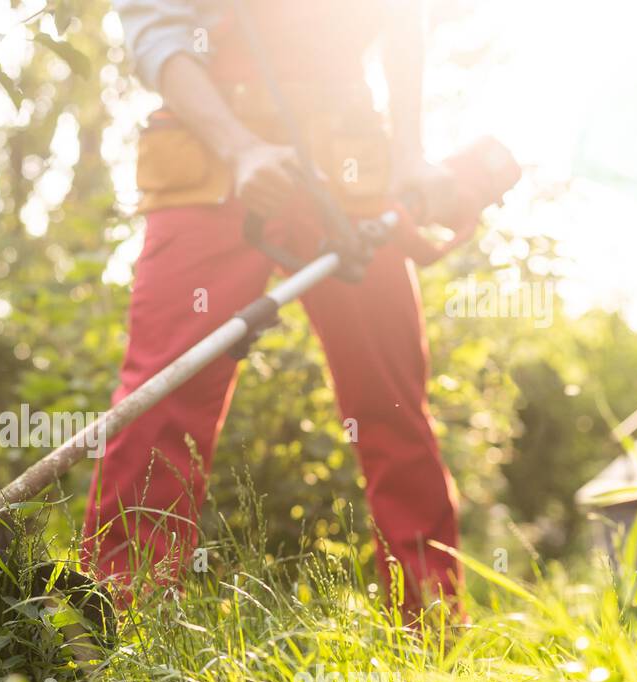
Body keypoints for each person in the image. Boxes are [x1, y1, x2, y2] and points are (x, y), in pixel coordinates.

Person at [82, 0, 462, 613]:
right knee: (162, 398)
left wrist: (412, 154)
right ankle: (119, 620)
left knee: (390, 402)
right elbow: (155, 28)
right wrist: (241, 150)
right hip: (209, 157)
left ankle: (432, 625)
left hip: (348, 163)